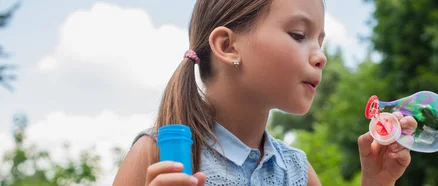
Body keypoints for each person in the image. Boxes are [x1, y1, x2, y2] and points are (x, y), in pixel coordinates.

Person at [113, 0, 416, 185]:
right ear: (228, 46)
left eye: (319, 42)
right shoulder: (157, 154)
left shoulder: (298, 171)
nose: (321, 57)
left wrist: (376, 182)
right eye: (299, 35)